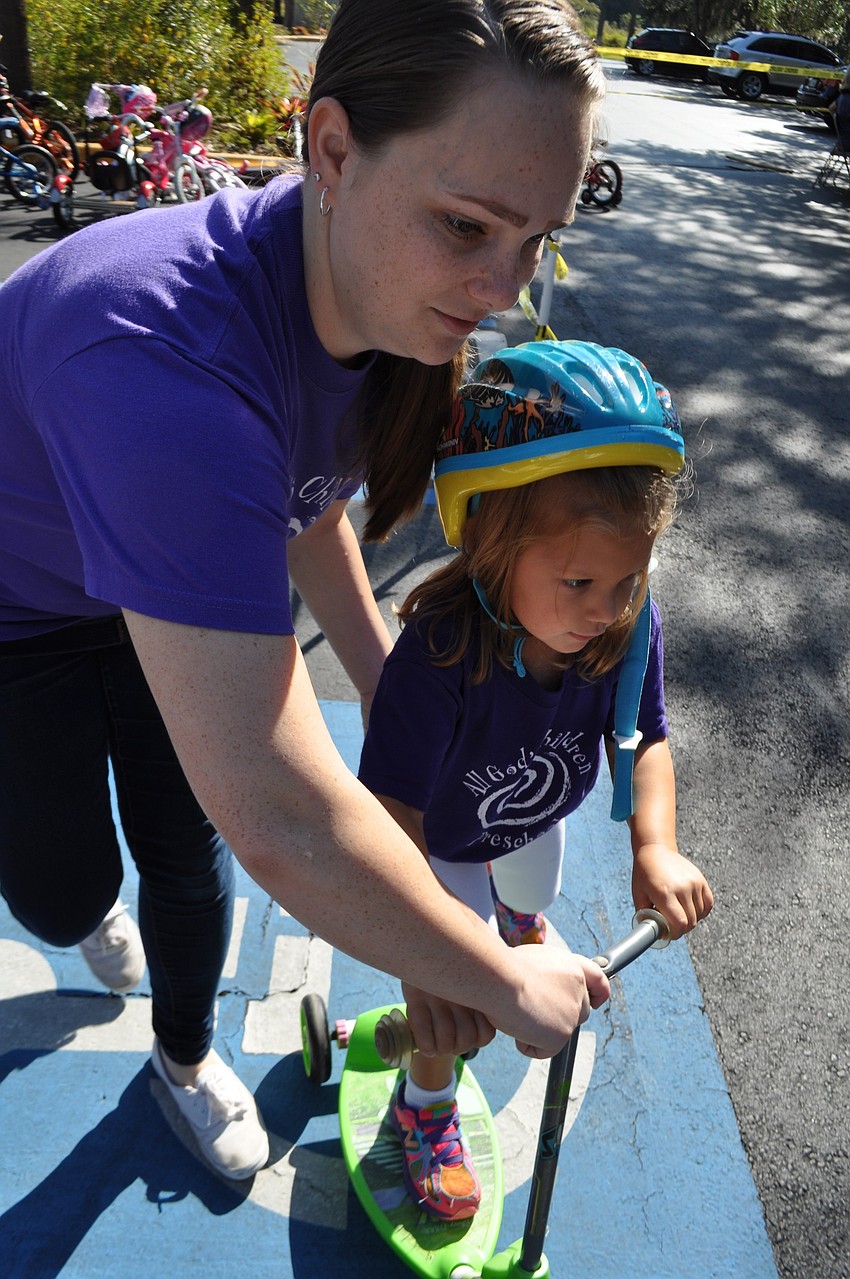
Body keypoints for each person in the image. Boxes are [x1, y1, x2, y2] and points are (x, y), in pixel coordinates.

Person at [0, 0, 611, 1182]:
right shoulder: (158, 363)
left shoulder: (374, 290)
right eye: (469, 224)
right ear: (331, 149)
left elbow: (303, 494)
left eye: (539, 239)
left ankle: (183, 1057)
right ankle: (81, 911)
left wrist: (392, 694)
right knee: (63, 883)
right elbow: (279, 811)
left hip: (151, 576)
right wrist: (493, 975)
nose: (503, 284)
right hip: (19, 608)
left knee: (182, 843)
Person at [358, 340, 715, 1221]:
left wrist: (655, 845)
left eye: (630, 578)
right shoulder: (437, 652)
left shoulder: (625, 628)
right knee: (448, 996)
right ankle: (425, 1103)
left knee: (531, 891)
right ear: (490, 539)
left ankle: (515, 917)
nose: (607, 607)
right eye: (581, 581)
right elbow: (388, 813)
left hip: (529, 813)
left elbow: (649, 738)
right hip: (437, 841)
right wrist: (438, 956)